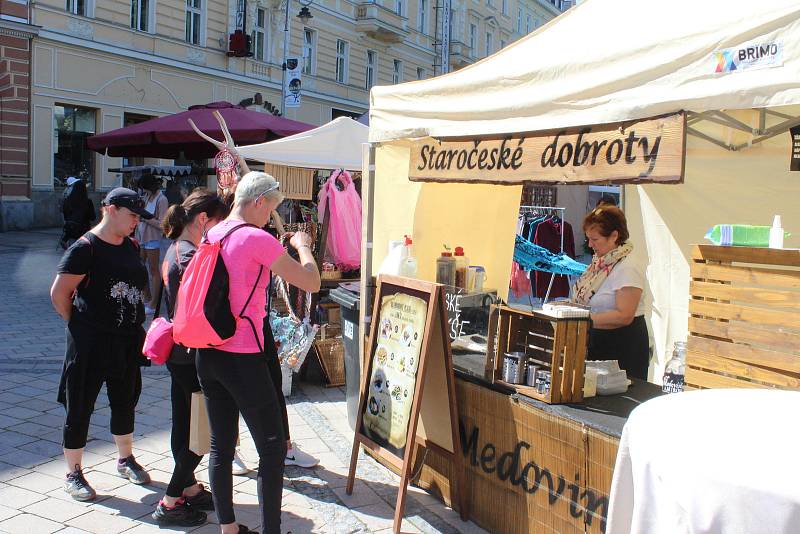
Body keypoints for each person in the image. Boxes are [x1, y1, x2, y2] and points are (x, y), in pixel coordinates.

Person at [197, 172, 320, 534]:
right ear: (259, 202)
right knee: (270, 450)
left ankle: (229, 528)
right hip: (243, 355)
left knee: (221, 445)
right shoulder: (256, 238)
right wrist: (303, 245)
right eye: (271, 209)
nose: (270, 217)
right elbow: (311, 282)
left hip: (209, 351)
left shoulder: (213, 233)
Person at [50, 187, 154, 502]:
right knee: (79, 405)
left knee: (125, 401)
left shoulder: (132, 245)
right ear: (110, 209)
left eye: (139, 216)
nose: (137, 221)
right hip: (90, 342)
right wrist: (80, 326)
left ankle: (125, 458)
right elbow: (59, 294)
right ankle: (73, 473)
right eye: (133, 215)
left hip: (125, 341)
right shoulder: (85, 248)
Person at [151, 189, 229, 526]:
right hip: (192, 354)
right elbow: (200, 310)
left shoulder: (175, 250)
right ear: (203, 220)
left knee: (183, 425)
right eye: (217, 224)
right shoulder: (190, 256)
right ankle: (170, 501)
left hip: (178, 353)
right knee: (202, 433)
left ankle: (189, 488)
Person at [572, 205, 649, 380]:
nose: (590, 245)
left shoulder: (628, 267)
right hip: (600, 342)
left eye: (595, 239)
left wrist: (580, 320)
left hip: (623, 347)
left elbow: (624, 316)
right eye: (588, 239)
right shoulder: (601, 263)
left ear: (614, 236)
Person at [136, 173, 169, 315]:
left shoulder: (162, 199)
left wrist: (145, 218)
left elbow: (163, 224)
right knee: (139, 268)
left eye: (144, 188)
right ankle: (147, 297)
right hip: (141, 237)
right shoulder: (147, 197)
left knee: (154, 271)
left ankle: (154, 303)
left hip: (153, 238)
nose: (143, 191)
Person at [60, 177, 96, 250]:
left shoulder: (68, 200)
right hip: (84, 231)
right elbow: (93, 217)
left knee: (72, 252)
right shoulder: (88, 202)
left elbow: (65, 214)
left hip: (71, 230)